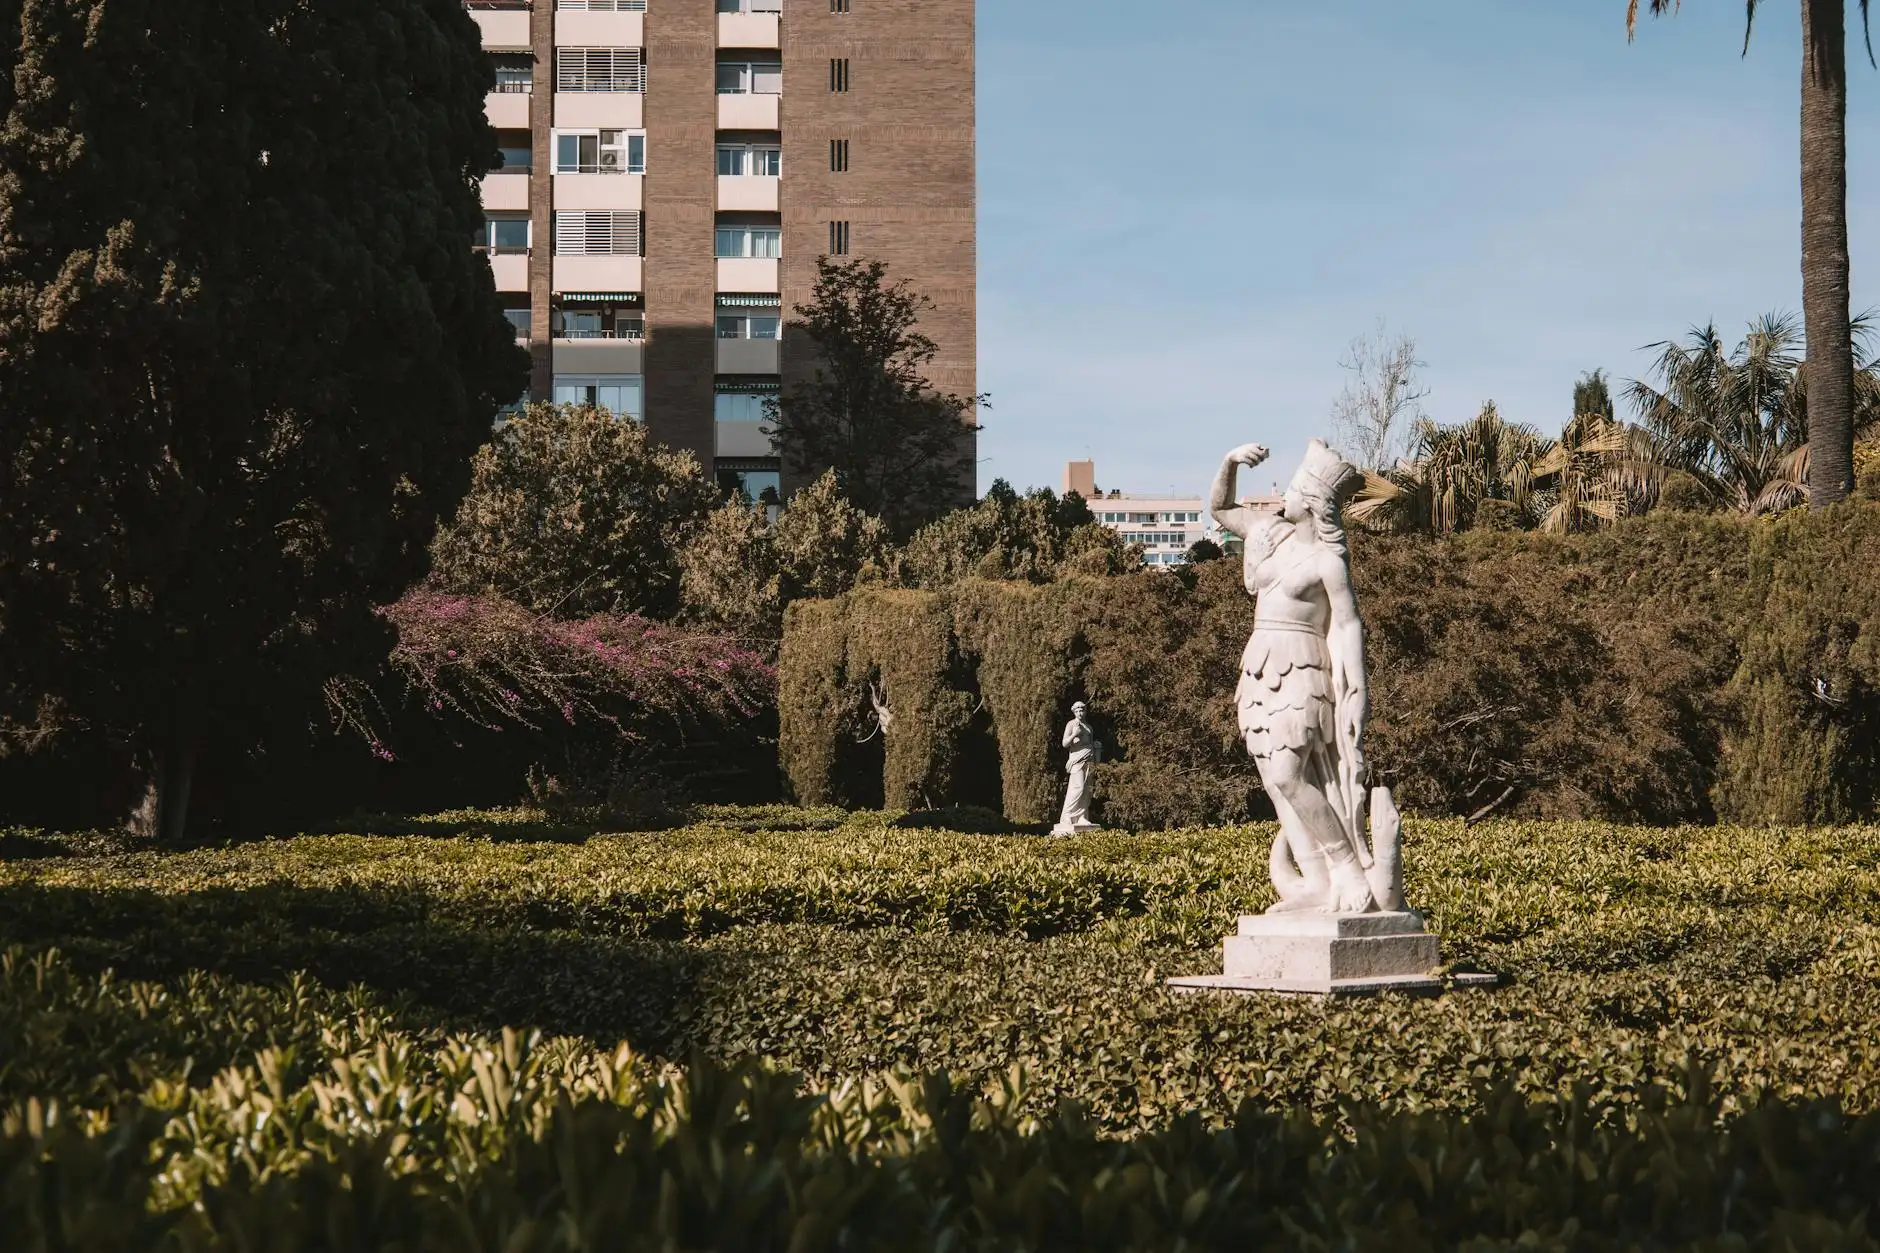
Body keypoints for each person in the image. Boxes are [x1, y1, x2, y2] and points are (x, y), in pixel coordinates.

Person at [1209, 438, 1388, 913]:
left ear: (1310, 501)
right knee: (1274, 778)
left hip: (1303, 664)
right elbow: (1220, 507)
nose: (1281, 494)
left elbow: (1349, 624)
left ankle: (1347, 867)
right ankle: (1316, 881)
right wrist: (1230, 460)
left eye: (1291, 487)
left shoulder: (1328, 561)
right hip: (1261, 662)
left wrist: (1358, 691)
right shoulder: (1268, 532)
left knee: (1290, 773)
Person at [1051, 701, 1102, 836]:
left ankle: (1082, 817)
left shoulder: (1089, 727)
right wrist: (1074, 734)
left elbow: (1089, 744)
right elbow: (1064, 744)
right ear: (1074, 712)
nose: (1080, 713)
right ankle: (1067, 816)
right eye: (1078, 711)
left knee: (1086, 789)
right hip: (1076, 760)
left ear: (1085, 712)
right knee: (1077, 788)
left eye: (1082, 710)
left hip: (1089, 759)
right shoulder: (1071, 724)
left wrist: (1096, 748)